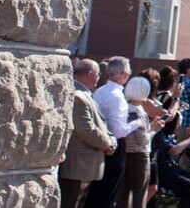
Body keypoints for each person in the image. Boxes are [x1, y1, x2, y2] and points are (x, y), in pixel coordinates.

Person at [86, 56, 144, 208]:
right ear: (123, 73)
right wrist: (136, 123)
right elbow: (118, 131)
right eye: (128, 72)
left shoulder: (99, 91)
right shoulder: (117, 97)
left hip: (98, 145)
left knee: (96, 192)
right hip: (114, 147)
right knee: (108, 193)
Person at [59, 59, 117, 208]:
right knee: (71, 202)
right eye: (98, 75)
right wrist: (107, 143)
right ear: (90, 75)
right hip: (77, 167)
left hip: (84, 166)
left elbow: (99, 123)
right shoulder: (78, 96)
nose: (99, 78)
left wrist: (111, 137)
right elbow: (85, 129)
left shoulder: (86, 94)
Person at [118, 76, 165, 208]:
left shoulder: (126, 108)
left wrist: (150, 125)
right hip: (139, 156)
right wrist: (154, 130)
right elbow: (142, 140)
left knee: (123, 194)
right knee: (139, 194)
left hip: (125, 153)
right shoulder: (138, 111)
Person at [154, 112, 190, 208]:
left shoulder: (170, 135)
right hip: (160, 170)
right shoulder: (159, 134)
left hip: (171, 167)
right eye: (177, 123)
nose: (179, 126)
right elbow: (173, 151)